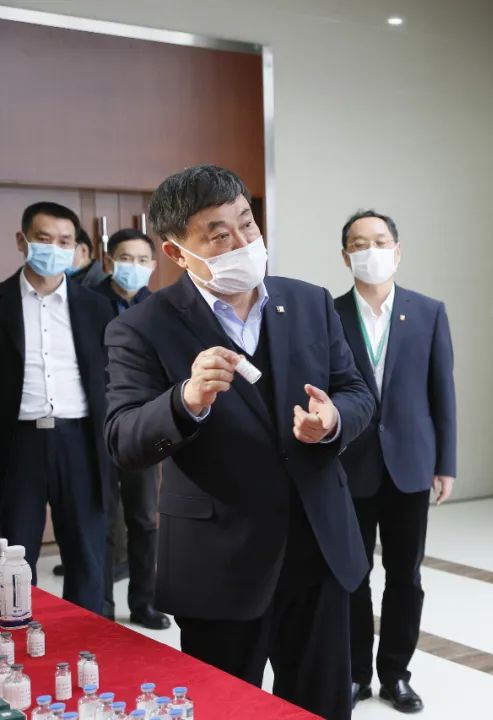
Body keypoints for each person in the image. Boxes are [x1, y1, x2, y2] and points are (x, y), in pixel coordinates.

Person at [103, 165, 376, 720]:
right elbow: (123, 440)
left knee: (322, 706)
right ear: (177, 253)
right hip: (219, 563)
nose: (243, 243)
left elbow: (357, 392)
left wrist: (332, 421)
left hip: (319, 549)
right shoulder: (143, 326)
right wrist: (186, 401)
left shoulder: (310, 301)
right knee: (225, 709)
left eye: (246, 224)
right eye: (219, 235)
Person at [333, 209, 457, 712]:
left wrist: (445, 463)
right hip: (348, 467)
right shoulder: (329, 314)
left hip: (410, 464)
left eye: (380, 241)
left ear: (398, 251)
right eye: (359, 244)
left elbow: (442, 392)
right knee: (352, 575)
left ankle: (396, 674)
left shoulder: (428, 312)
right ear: (346, 257)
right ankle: (355, 674)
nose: (371, 251)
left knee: (406, 577)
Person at [0, 202, 113, 613]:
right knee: (14, 555)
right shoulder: (2, 302)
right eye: (44, 239)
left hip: (80, 439)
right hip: (19, 442)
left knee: (86, 553)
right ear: (22, 240)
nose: (55, 249)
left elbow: (109, 376)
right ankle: (13, 639)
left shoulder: (95, 306)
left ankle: (86, 639)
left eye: (65, 242)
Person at [93, 228, 170, 630]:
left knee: (143, 519)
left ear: (153, 266)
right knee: (103, 521)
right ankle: (102, 604)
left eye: (142, 260)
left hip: (141, 426)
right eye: (125, 258)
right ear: (109, 261)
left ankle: (144, 603)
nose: (133, 267)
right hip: (96, 426)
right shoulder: (88, 303)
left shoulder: (158, 309)